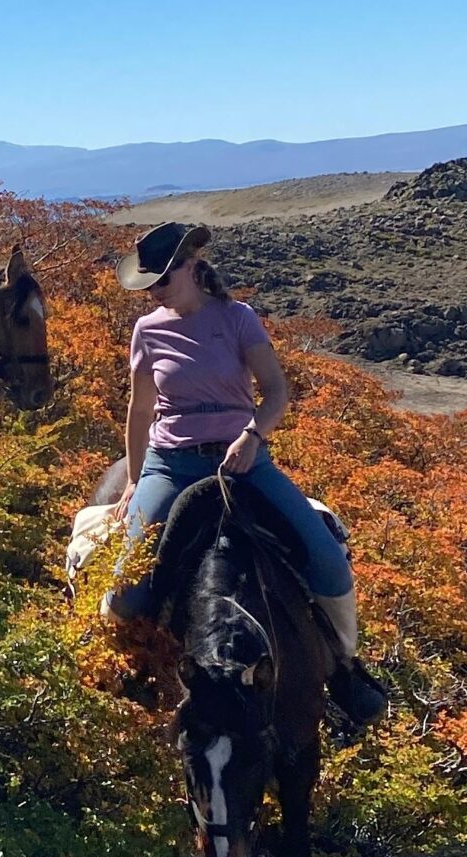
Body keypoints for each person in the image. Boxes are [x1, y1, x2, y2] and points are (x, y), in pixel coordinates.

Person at [112, 220, 387, 729]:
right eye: (148, 284)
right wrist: (134, 478)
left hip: (242, 460)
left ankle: (344, 668)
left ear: (191, 268)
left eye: (163, 279)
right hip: (171, 462)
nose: (154, 291)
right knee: (124, 589)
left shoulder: (236, 318)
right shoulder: (146, 330)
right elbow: (140, 409)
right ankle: (123, 672)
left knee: (328, 562)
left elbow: (276, 391)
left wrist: (253, 435)